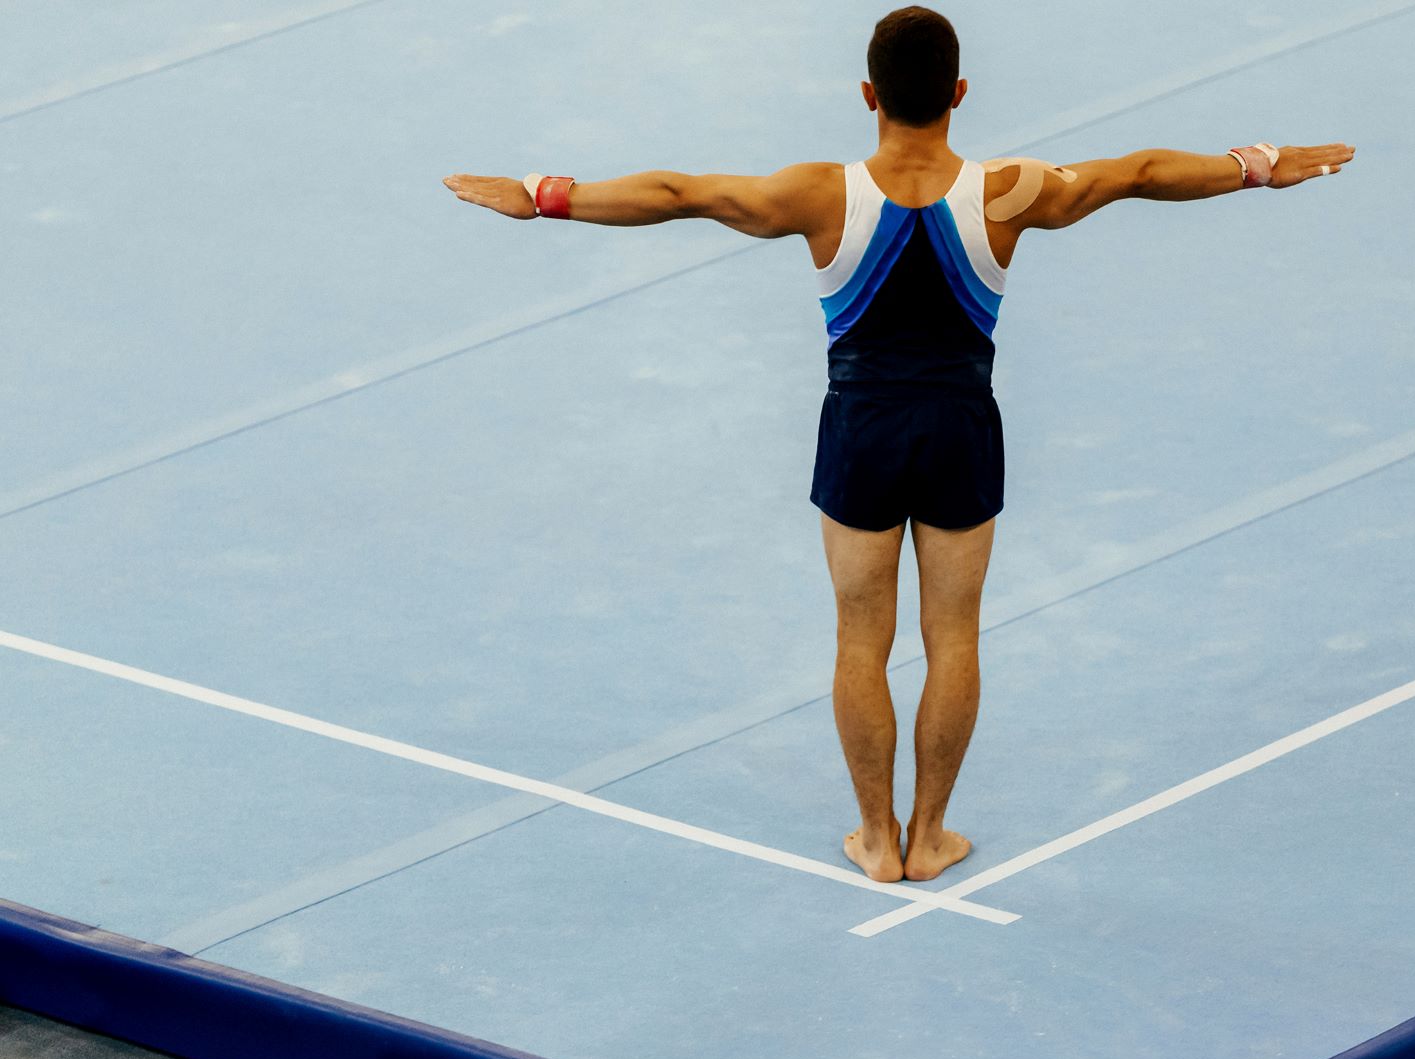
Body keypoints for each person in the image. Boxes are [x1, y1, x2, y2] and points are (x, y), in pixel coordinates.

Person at [443, 6, 1354, 886]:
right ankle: (931, 834)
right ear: (957, 91)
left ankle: (876, 841)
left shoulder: (819, 193)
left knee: (860, 639)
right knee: (951, 636)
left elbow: (684, 195)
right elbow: (1143, 170)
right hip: (960, 427)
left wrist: (543, 197)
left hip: (862, 433)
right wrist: (1258, 164)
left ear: (867, 96)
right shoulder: (1009, 191)